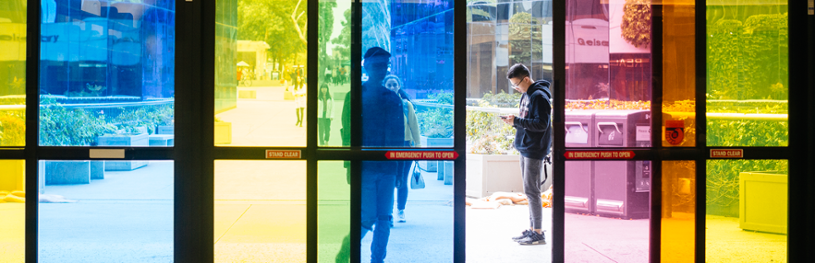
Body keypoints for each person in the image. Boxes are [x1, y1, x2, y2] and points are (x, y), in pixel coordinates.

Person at [336, 47, 404, 263]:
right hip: (380, 167)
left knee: (374, 218)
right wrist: (398, 170)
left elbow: (347, 132)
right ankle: (370, 259)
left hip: (369, 166)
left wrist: (349, 166)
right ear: (366, 66)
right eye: (378, 66)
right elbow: (397, 139)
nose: (381, 70)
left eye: (383, 66)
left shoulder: (356, 96)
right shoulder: (391, 99)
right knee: (380, 218)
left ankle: (349, 255)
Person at [501, 63, 552, 246]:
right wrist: (515, 122)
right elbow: (528, 120)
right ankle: (532, 229)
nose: (516, 88)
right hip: (525, 146)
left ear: (526, 79)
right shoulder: (526, 94)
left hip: (534, 148)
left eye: (517, 84)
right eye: (513, 85)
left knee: (533, 191)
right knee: (529, 191)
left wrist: (518, 121)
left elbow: (541, 124)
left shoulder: (539, 96)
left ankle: (538, 232)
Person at [383, 74, 420, 224]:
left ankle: (401, 210)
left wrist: (418, 146)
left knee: (402, 179)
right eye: (389, 85)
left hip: (405, 145)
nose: (392, 87)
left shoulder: (406, 105)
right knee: (389, 180)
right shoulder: (381, 104)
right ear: (384, 86)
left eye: (395, 85)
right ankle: (388, 213)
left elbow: (414, 126)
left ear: (399, 86)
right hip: (387, 146)